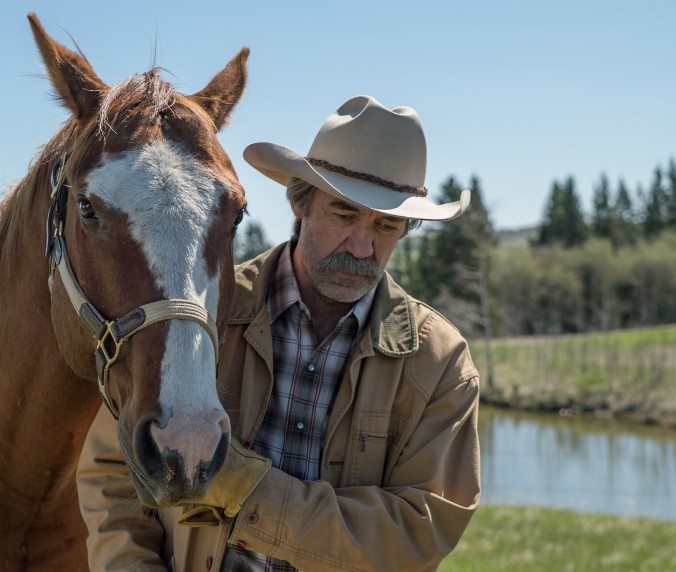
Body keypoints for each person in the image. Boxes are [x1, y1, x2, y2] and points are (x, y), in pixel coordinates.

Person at [77, 95, 481, 571]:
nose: (362, 245)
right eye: (345, 214)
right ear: (298, 200)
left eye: (387, 225)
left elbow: (421, 531)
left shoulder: (439, 363)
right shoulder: (195, 313)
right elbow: (111, 476)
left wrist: (249, 488)